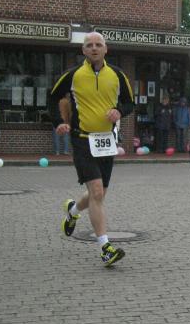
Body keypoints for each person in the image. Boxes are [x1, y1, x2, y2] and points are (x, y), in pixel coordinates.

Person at [50, 31, 134, 266]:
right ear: (83, 50)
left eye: (98, 44)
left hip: (106, 141)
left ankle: (73, 211)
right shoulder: (73, 75)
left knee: (99, 194)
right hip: (82, 139)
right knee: (96, 192)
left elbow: (130, 102)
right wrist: (59, 122)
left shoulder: (117, 75)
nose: (94, 48)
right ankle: (105, 248)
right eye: (89, 45)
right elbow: (52, 98)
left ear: (106, 49)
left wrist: (119, 111)